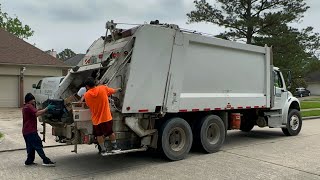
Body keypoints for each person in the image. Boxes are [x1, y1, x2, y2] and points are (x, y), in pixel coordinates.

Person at [82, 77, 121, 155]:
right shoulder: (103, 88)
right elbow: (113, 91)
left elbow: (88, 105)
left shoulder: (86, 95)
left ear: (87, 86)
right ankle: (115, 147)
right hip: (106, 117)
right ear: (94, 83)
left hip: (96, 120)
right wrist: (118, 89)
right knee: (110, 133)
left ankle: (103, 150)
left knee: (99, 135)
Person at [22, 93, 56, 166]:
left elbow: (36, 112)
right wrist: (47, 108)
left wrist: (43, 109)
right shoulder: (29, 106)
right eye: (33, 100)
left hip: (26, 131)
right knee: (38, 145)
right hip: (31, 131)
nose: (34, 102)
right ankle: (45, 160)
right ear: (30, 100)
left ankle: (29, 161)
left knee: (30, 147)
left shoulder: (25, 107)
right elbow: (37, 113)